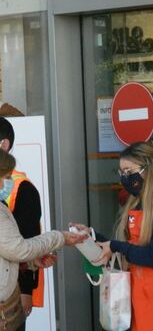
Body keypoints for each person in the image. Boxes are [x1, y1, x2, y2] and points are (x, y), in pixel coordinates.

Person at [73, 142, 153, 331]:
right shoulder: (137, 201)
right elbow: (131, 245)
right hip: (139, 287)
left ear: (150, 168)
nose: (124, 177)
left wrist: (115, 246)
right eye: (121, 172)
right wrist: (91, 236)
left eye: (128, 170)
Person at [0, 149, 85, 331]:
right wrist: (59, 237)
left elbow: (7, 249)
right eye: (5, 177)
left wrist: (29, 263)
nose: (5, 185)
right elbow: (19, 249)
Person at [0, 117, 47, 327]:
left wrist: (26, 290)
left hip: (11, 298)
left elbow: (27, 241)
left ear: (4, 144)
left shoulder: (22, 189)